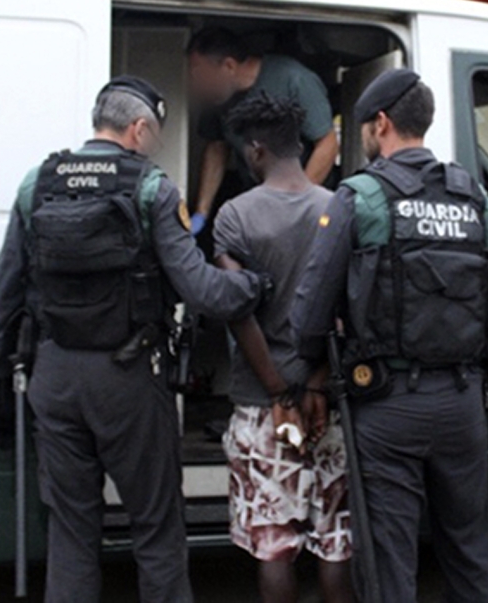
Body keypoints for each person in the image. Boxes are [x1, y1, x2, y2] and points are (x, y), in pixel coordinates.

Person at [0, 76, 270, 603]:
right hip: (128, 380)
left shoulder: (37, 183)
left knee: (71, 532)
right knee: (156, 527)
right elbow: (201, 291)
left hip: (53, 377)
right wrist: (254, 283)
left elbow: (0, 303)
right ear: (138, 128)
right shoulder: (151, 187)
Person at [291, 68, 488, 602]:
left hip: (387, 405)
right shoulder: (474, 197)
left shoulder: (360, 196)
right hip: (462, 402)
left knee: (389, 563)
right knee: (469, 553)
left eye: (363, 123)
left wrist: (307, 367)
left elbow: (310, 312)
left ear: (380, 123)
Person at [212, 92, 350, 603]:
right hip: (329, 402)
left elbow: (238, 312)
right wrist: (313, 381)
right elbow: (344, 309)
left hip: (261, 405)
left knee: (274, 546)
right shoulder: (337, 208)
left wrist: (279, 392)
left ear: (254, 150)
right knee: (336, 544)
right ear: (298, 144)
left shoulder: (235, 216)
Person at [187, 26, 339, 235]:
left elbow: (328, 143)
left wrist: (296, 202)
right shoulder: (217, 98)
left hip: (306, 207)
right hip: (257, 203)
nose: (197, 85)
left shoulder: (293, 79)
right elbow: (217, 148)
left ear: (229, 66)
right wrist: (201, 213)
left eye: (200, 75)